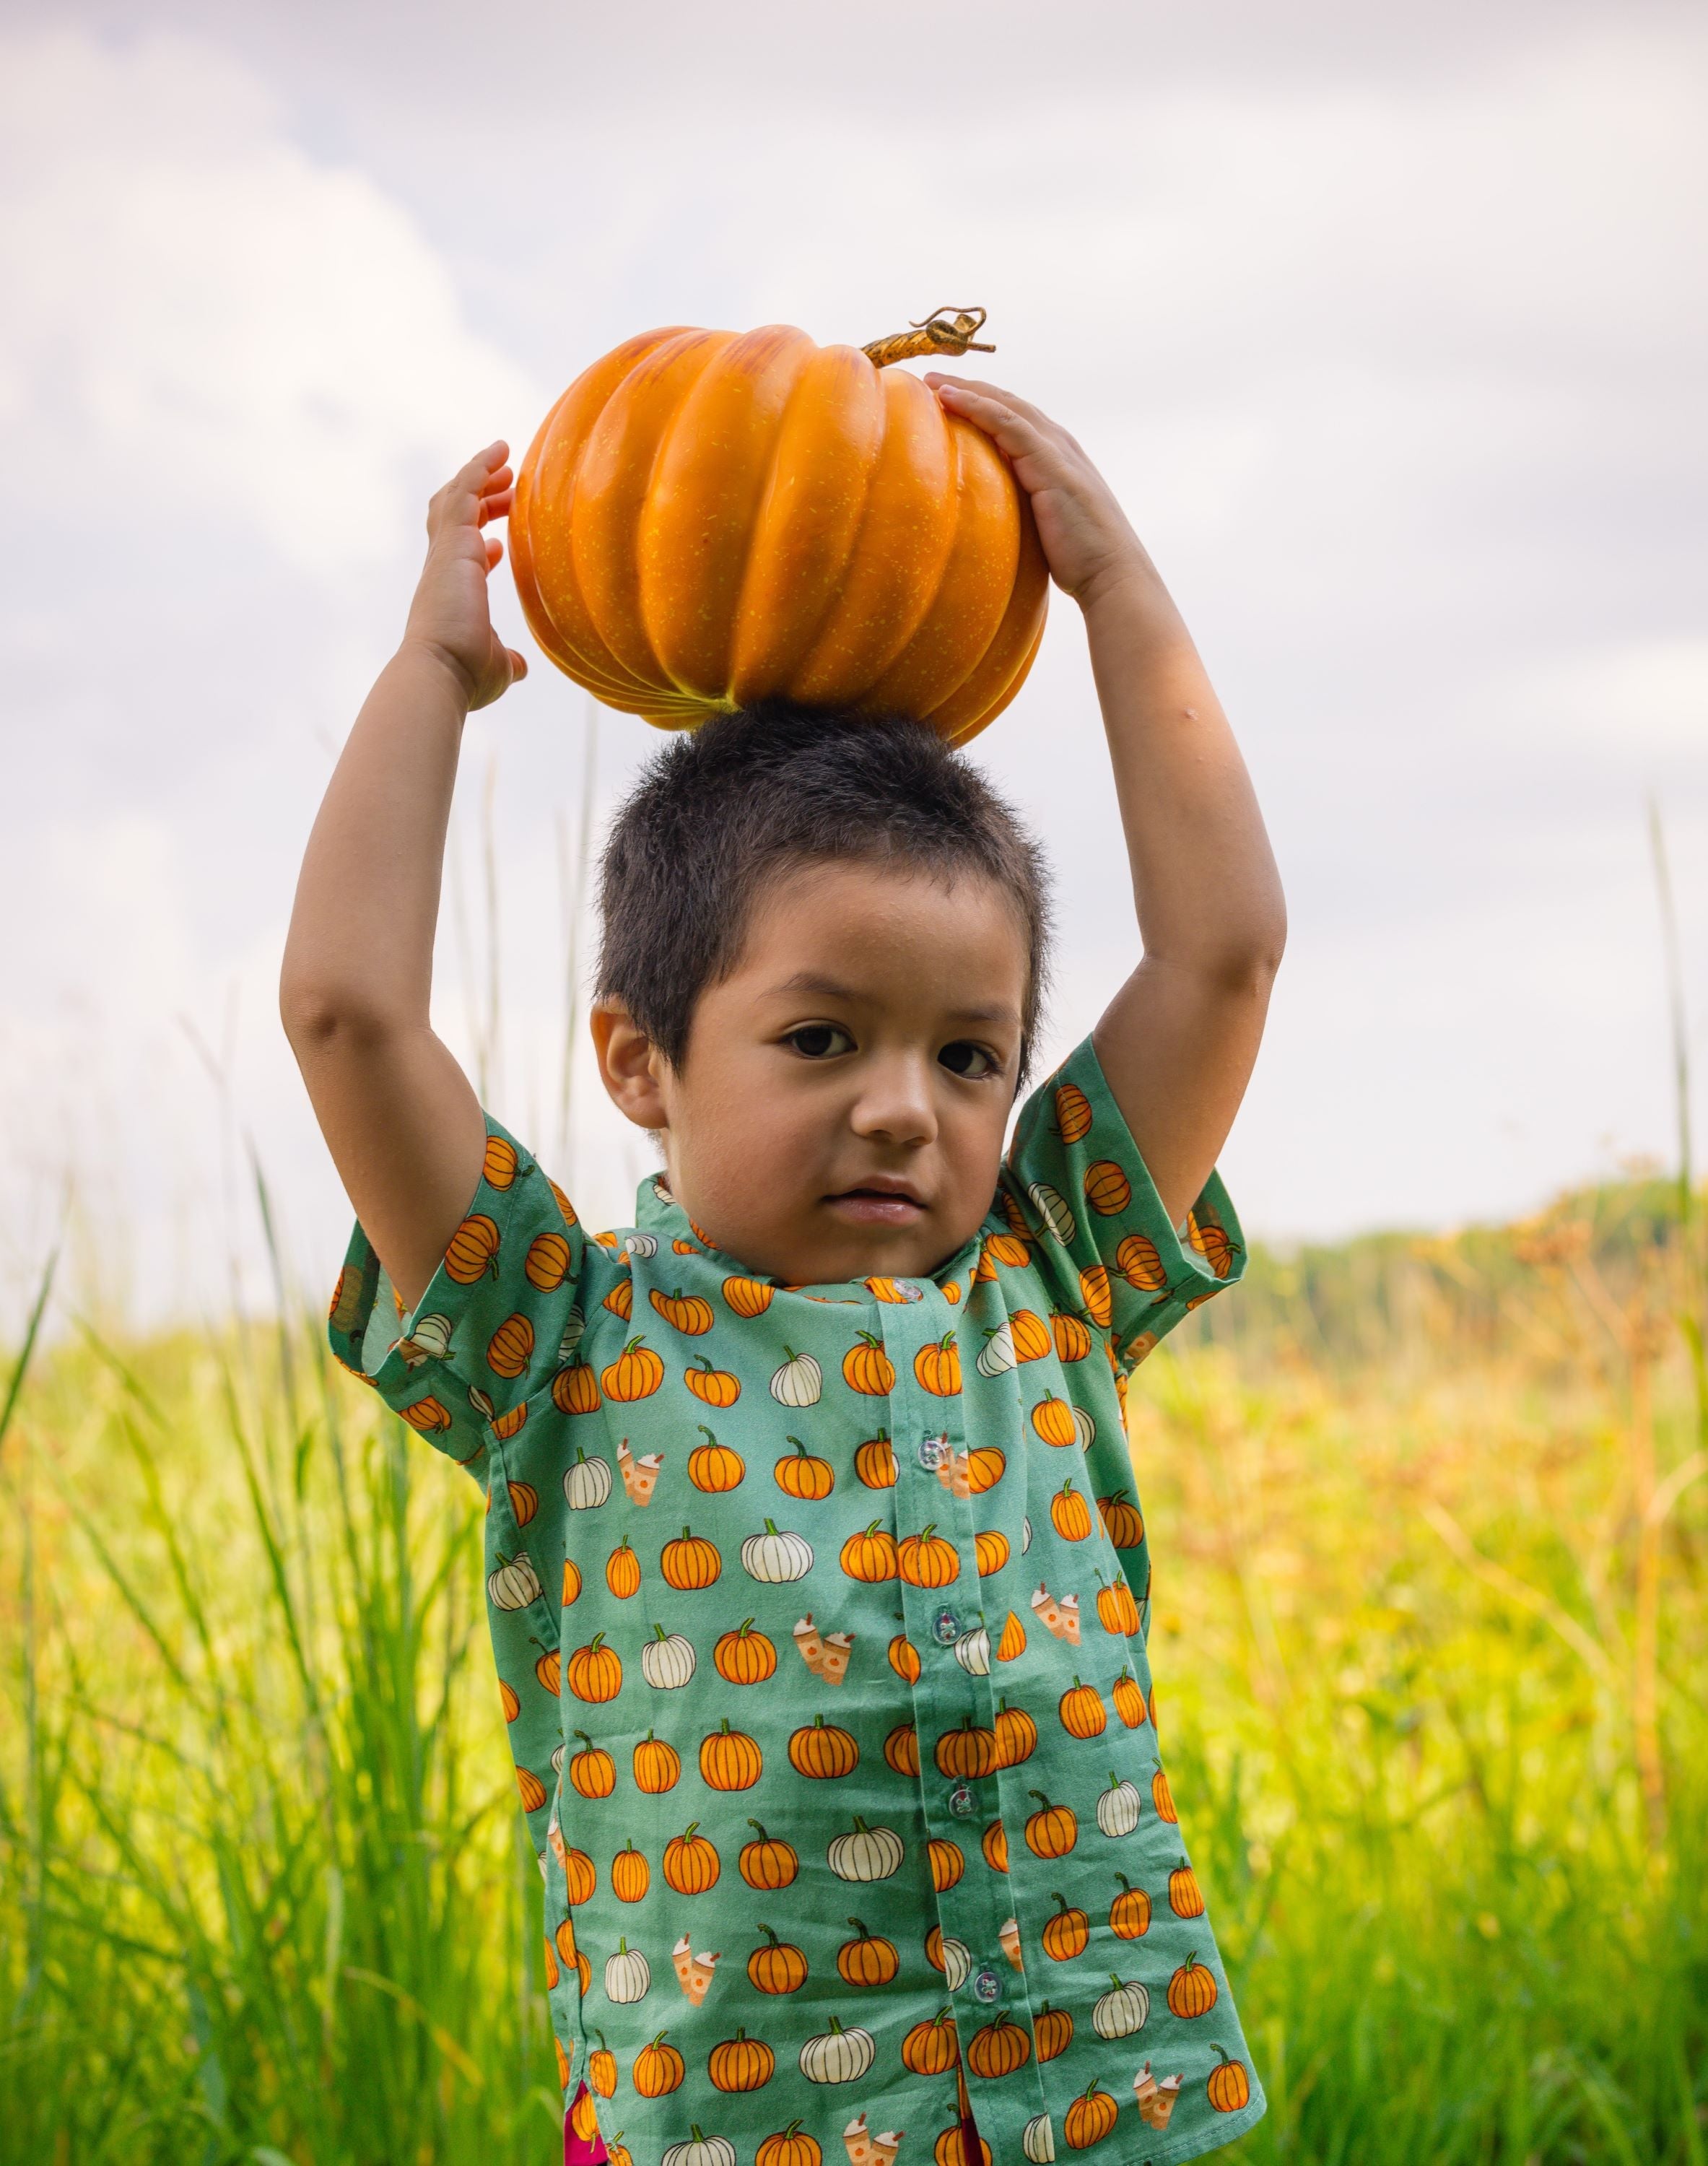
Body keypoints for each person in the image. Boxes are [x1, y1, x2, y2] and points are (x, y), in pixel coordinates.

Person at [282, 369, 1286, 2166]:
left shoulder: (1045, 1272)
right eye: (821, 1041)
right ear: (639, 1061)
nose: (909, 1110)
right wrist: (435, 672)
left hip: (1088, 2114)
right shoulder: (559, 1343)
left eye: (969, 1056)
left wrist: (1116, 589)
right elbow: (348, 1014)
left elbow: (1222, 955)